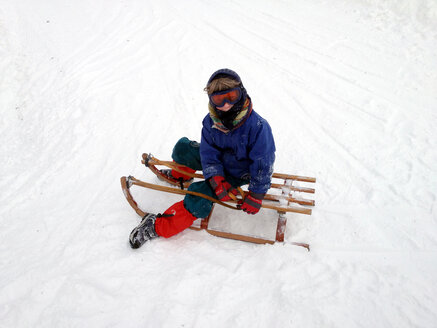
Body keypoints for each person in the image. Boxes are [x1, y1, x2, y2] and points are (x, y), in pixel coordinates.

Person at [129, 68, 276, 248]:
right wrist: (215, 178)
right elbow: (208, 153)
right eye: (219, 99)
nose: (226, 104)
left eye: (231, 95)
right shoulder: (210, 121)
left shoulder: (258, 126)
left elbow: (263, 163)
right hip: (219, 163)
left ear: (241, 93)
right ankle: (181, 176)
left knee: (198, 194)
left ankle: (159, 227)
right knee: (183, 148)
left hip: (239, 171)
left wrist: (256, 194)